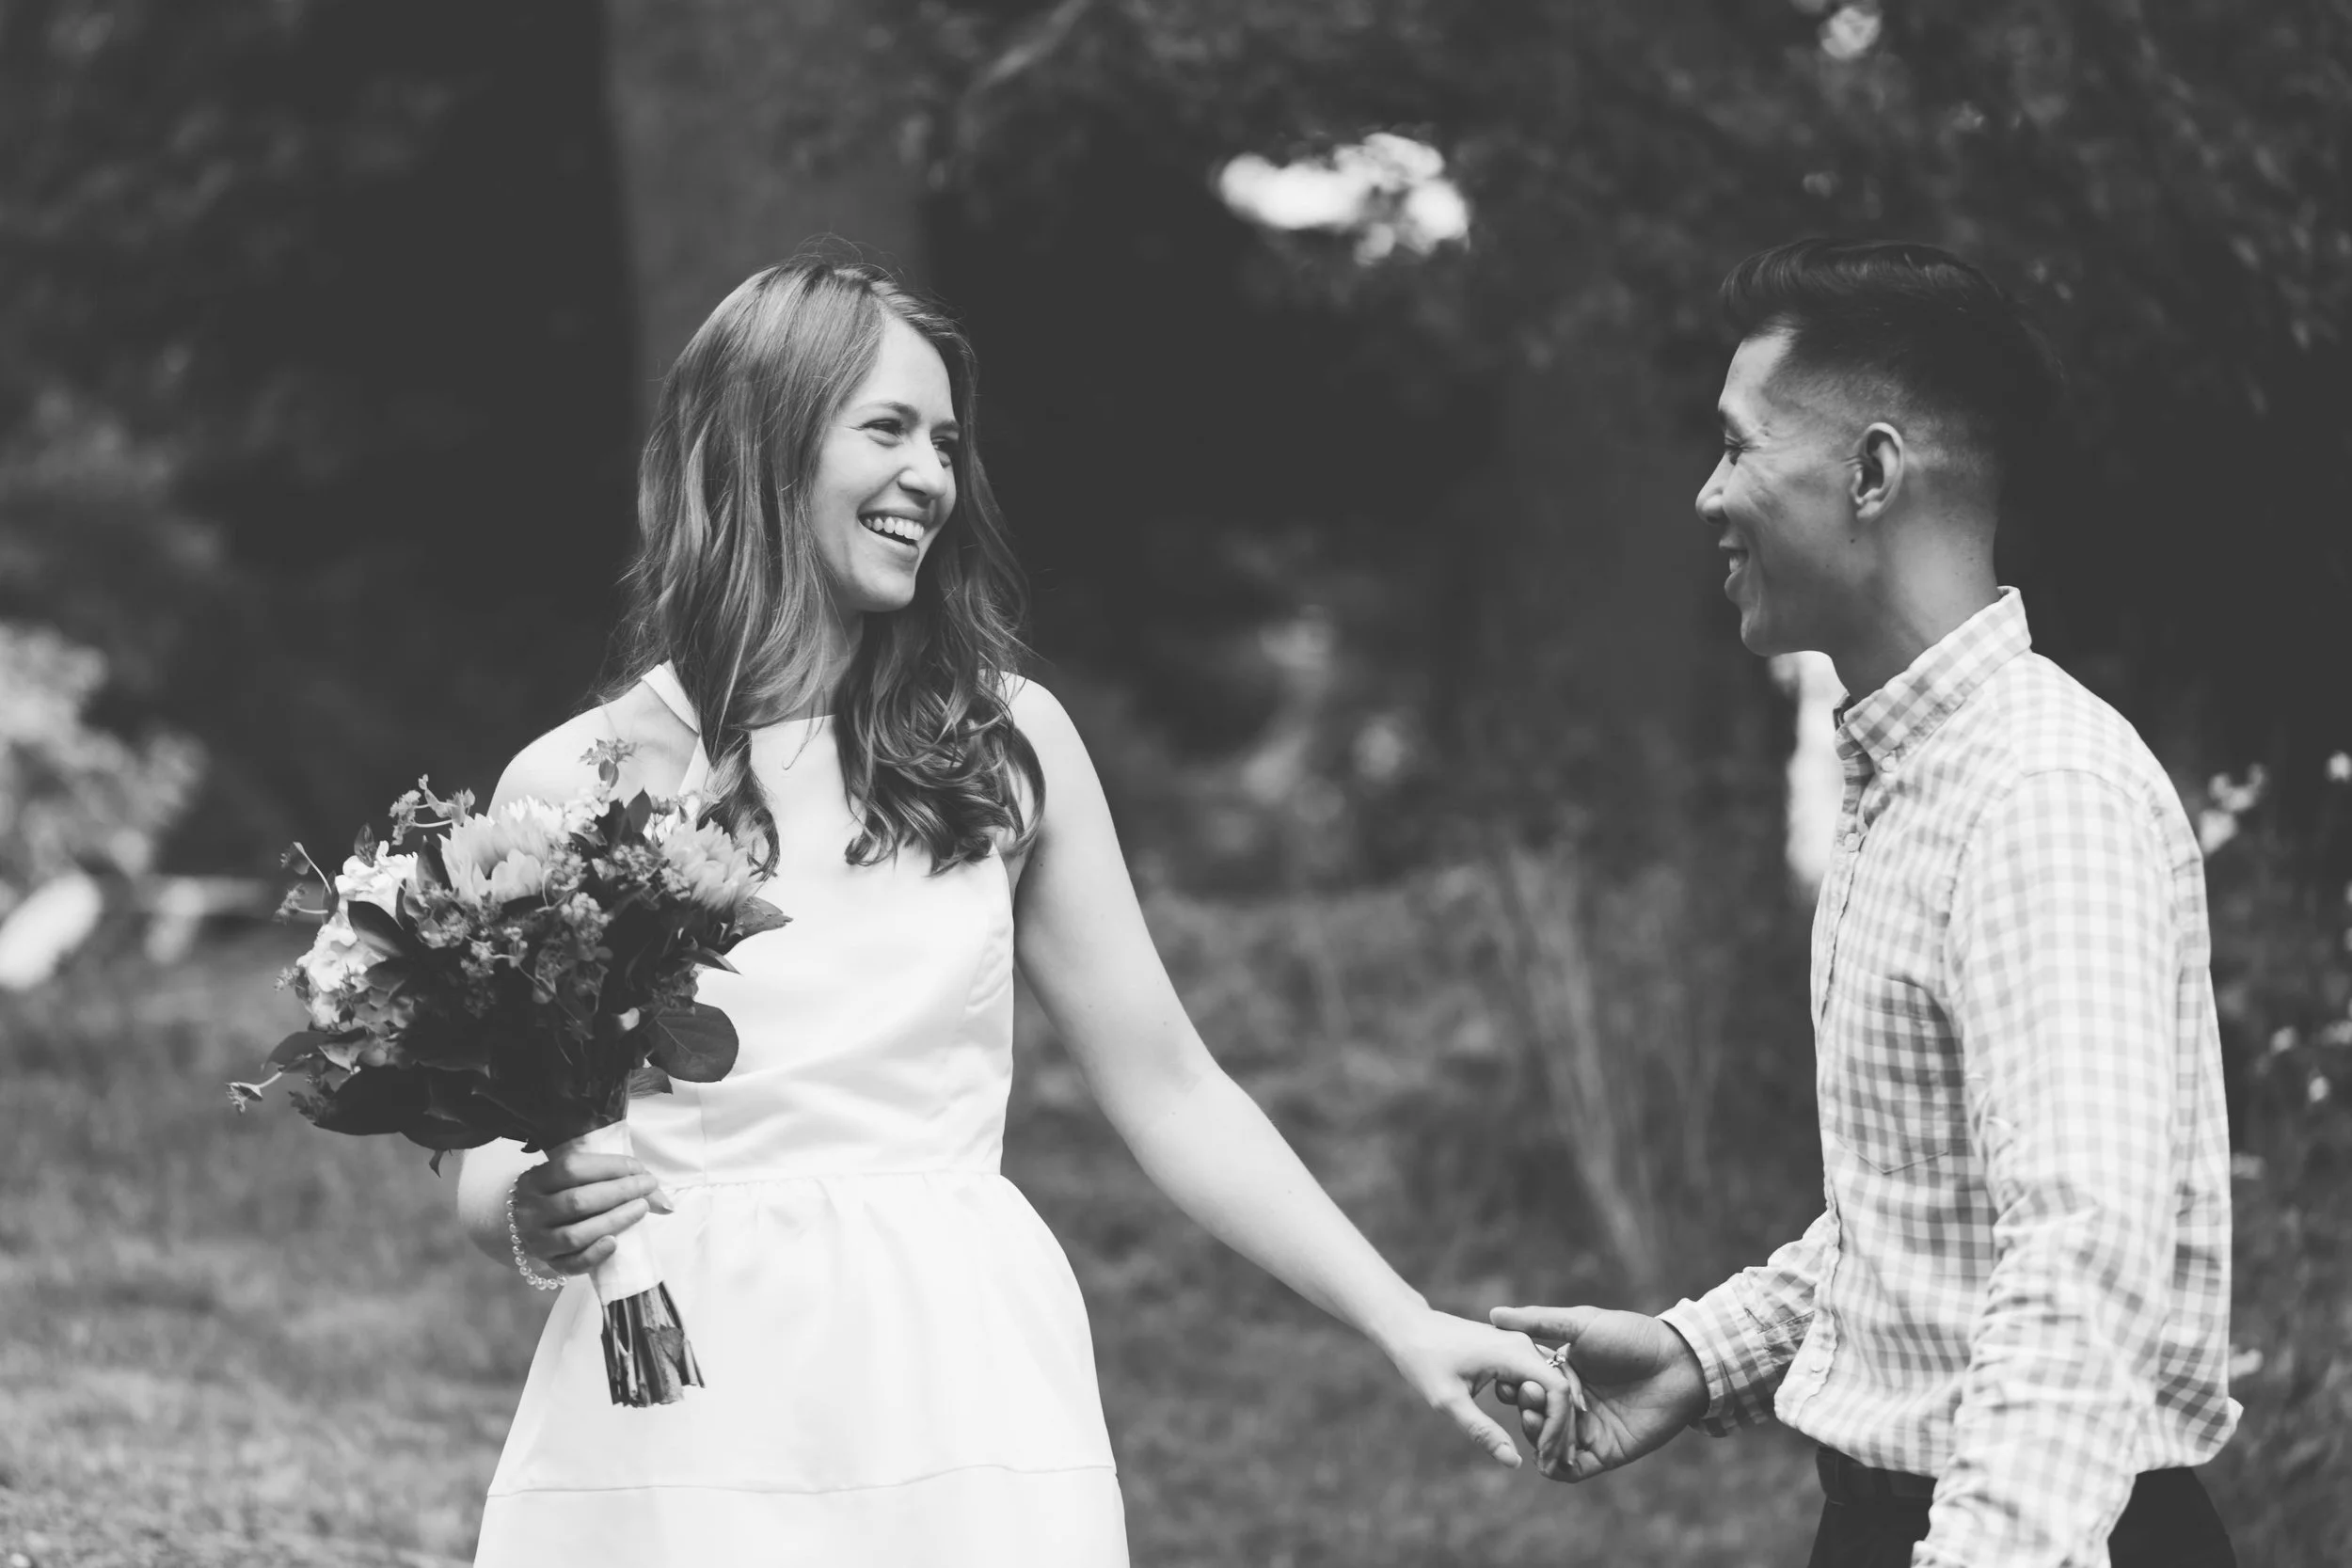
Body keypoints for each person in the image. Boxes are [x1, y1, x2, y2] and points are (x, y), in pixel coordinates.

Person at [449, 252, 1571, 1567]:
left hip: (954, 1373)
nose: (932, 475)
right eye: (887, 429)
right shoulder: (572, 780)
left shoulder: (1000, 743)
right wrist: (528, 1209)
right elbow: (495, 1160)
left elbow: (1172, 1087)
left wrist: (1400, 1315)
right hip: (675, 1389)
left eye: (945, 441)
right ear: (759, 445)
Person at [1493, 238, 2238, 1566]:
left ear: (1873, 471)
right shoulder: (1911, 778)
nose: (1708, 494)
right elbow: (1927, 1207)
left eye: (1736, 447)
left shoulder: (2040, 792)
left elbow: (2078, 1260)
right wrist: (1697, 1351)